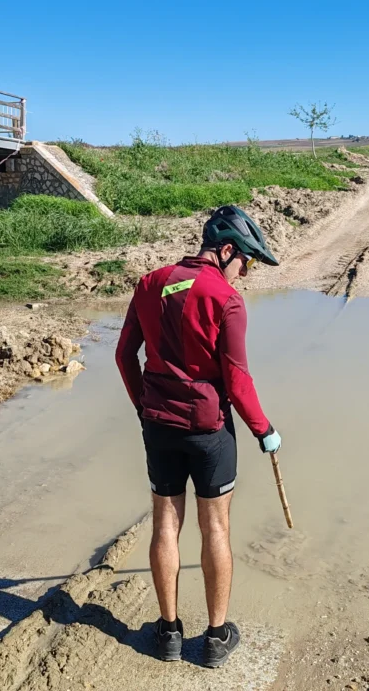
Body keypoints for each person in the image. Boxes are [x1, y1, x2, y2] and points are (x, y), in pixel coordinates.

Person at [115, 204, 283, 668]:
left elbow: (124, 355)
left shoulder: (150, 283)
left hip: (159, 425)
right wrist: (264, 429)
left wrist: (144, 407)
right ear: (226, 250)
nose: (245, 273)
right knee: (216, 528)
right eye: (245, 262)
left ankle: (168, 633)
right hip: (208, 431)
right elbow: (237, 380)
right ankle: (215, 637)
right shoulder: (225, 299)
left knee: (166, 524)